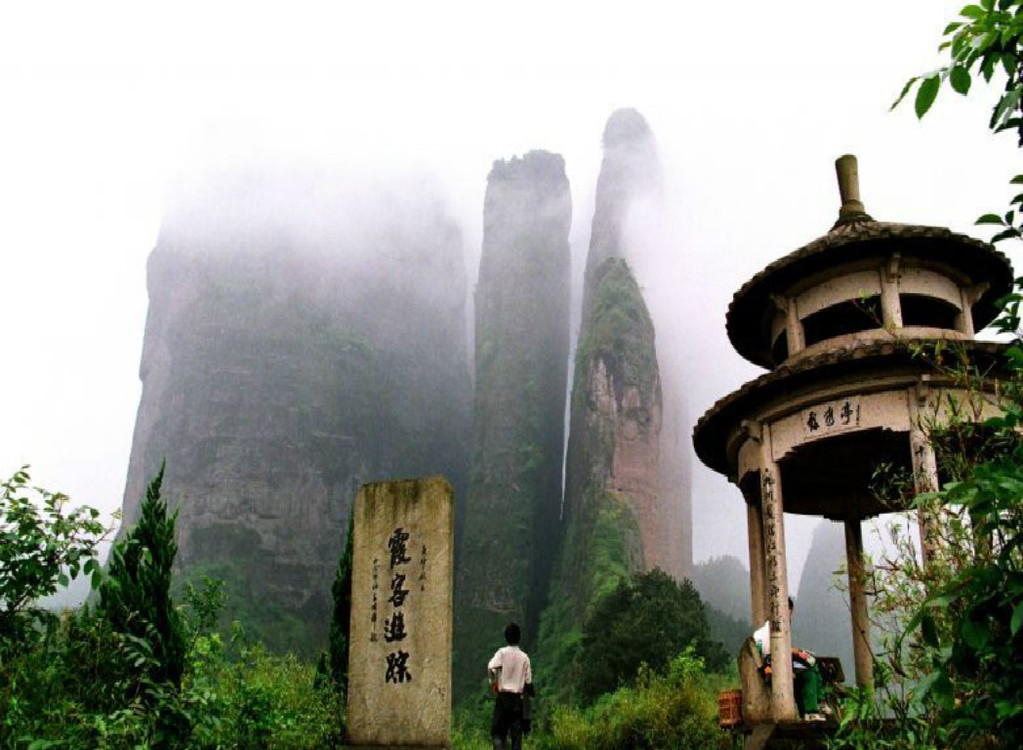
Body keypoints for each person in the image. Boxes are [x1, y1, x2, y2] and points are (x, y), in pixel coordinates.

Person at [753, 597, 826, 721]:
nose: (788, 616)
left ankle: (815, 707)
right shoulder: (768, 628)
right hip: (770, 667)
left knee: (812, 662)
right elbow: (767, 654)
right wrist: (790, 653)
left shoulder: (782, 624)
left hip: (784, 662)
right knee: (808, 673)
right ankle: (814, 708)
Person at [487, 622, 533, 750]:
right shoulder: (525, 658)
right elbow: (528, 682)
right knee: (516, 737)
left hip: (503, 699)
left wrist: (493, 681)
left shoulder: (502, 653)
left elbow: (491, 667)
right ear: (519, 637)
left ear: (506, 637)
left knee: (497, 733)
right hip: (517, 701)